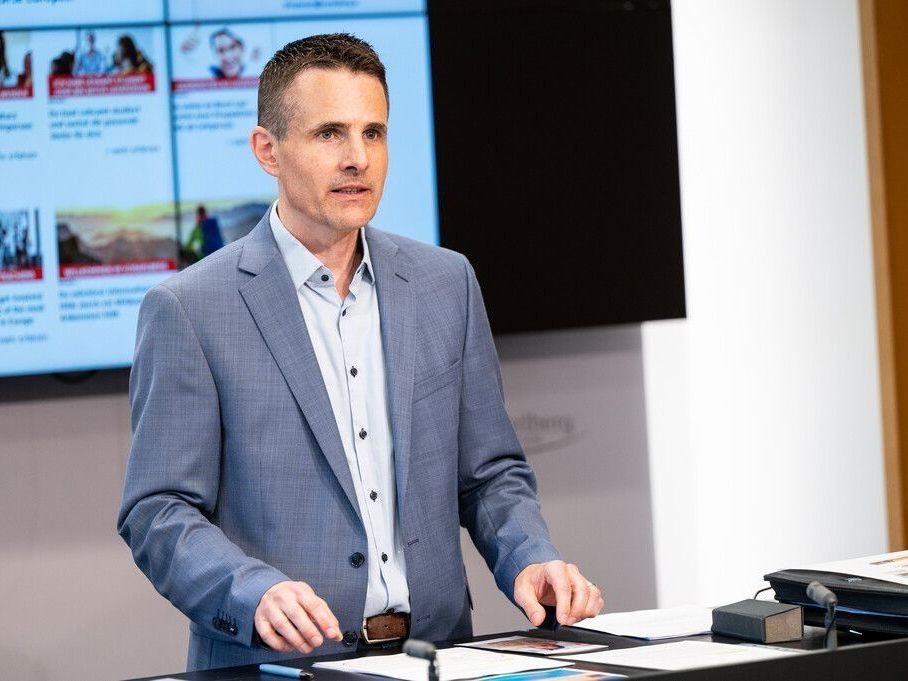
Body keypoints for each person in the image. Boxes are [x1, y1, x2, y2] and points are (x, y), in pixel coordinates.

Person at [118, 33, 603, 672]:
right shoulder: (189, 308)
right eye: (330, 134)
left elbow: (488, 474)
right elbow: (158, 512)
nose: (358, 159)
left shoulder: (446, 283)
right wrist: (250, 591)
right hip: (276, 666)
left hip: (436, 656)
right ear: (268, 150)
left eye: (373, 133)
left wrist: (529, 557)